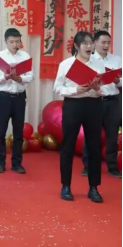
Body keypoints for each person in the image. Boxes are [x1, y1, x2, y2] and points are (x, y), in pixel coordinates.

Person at [54, 31, 106, 203]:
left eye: (91, 43)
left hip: (94, 105)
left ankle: (93, 188)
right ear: (76, 46)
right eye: (85, 43)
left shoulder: (98, 64)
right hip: (73, 105)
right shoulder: (66, 64)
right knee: (68, 145)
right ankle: (66, 186)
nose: (89, 46)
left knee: (94, 147)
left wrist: (97, 88)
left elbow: (105, 89)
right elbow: (57, 88)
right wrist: (76, 89)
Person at [0, 28, 34, 174]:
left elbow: (31, 76)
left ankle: (17, 163)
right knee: (0, 131)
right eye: (12, 42)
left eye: (17, 41)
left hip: (19, 98)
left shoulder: (25, 56)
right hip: (4, 97)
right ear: (6, 41)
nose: (15, 44)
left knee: (18, 132)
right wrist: (5, 77)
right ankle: (0, 163)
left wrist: (20, 78)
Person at [82, 30, 122, 178]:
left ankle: (112, 166)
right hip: (94, 101)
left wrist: (118, 80)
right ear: (95, 43)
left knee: (112, 135)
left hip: (113, 101)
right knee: (92, 134)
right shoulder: (89, 60)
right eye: (103, 42)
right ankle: (88, 166)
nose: (106, 45)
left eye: (108, 43)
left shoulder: (117, 60)